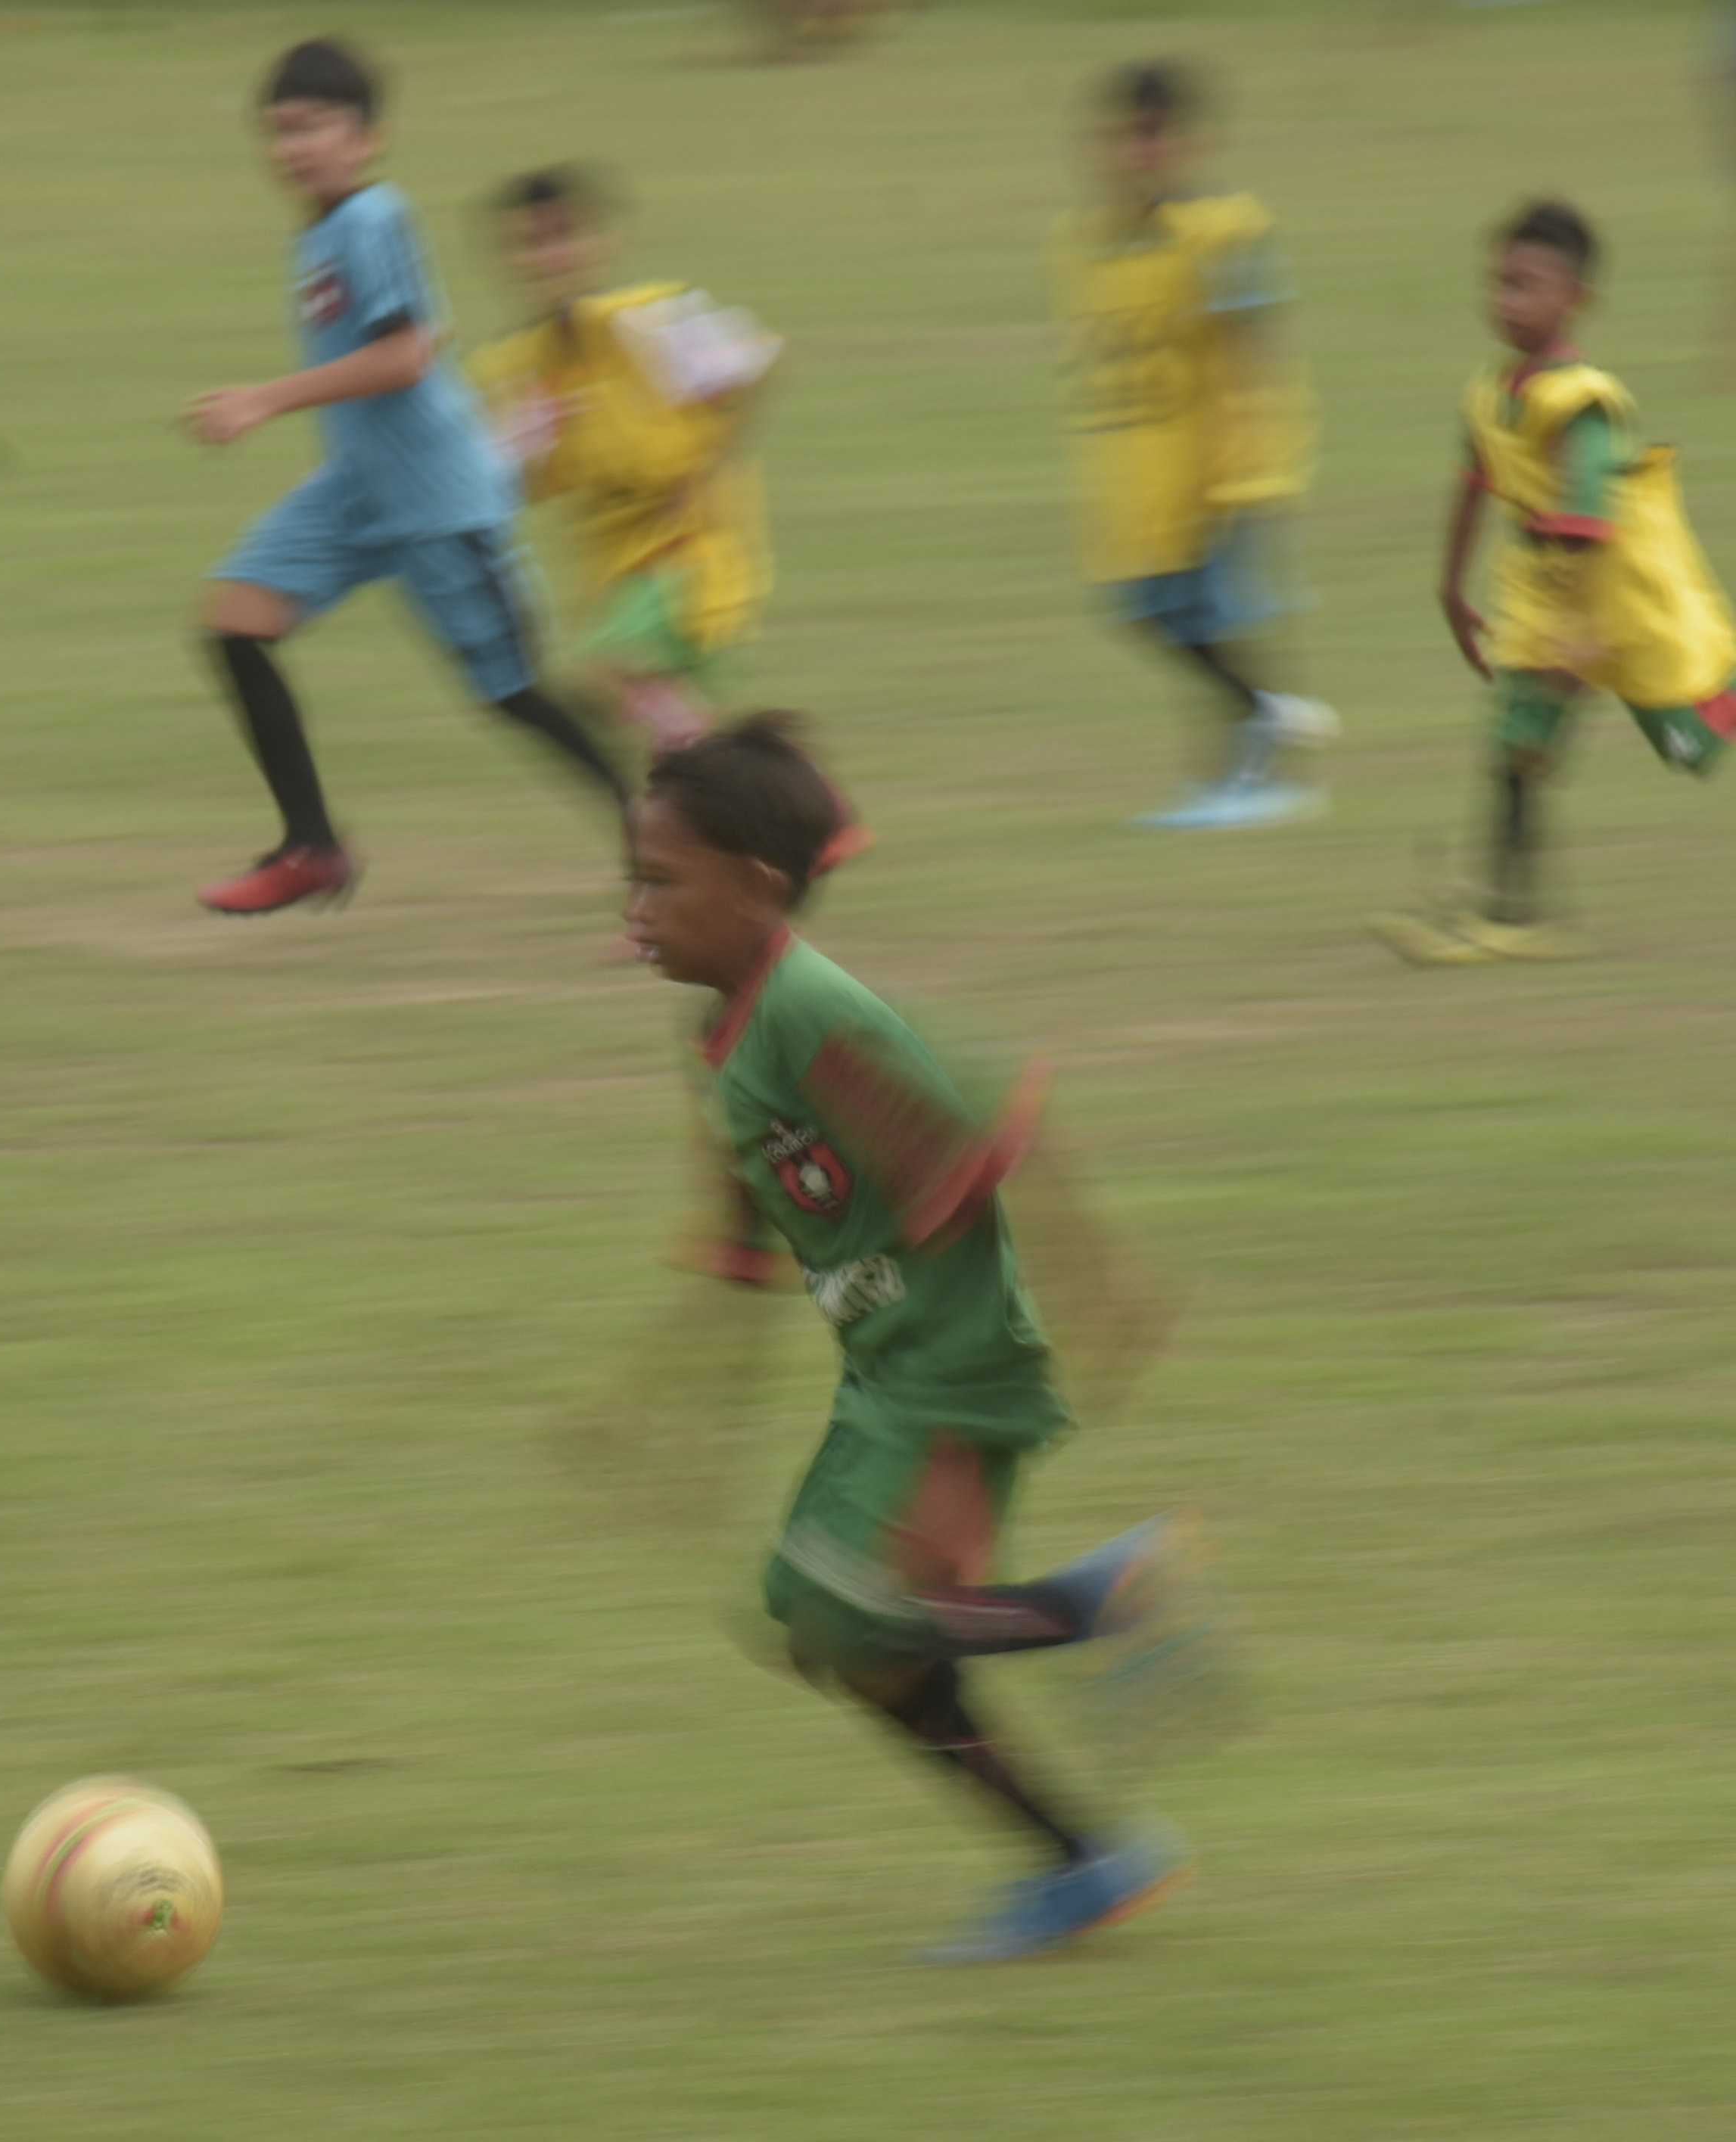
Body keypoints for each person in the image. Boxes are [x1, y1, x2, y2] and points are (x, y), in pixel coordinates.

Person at [627, 713, 1200, 1961]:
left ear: (756, 890)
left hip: (949, 1359)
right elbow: (741, 1250)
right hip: (882, 1366)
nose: (632, 907)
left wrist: (1094, 1280)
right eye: (629, 877)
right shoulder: (716, 1039)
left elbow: (989, 1132)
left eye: (659, 881)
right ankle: (1085, 1861)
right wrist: (670, 1408)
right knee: (818, 1628)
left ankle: (1103, 1599)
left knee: (854, 1616)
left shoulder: (812, 1015)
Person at [182, 37, 630, 916]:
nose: (292, 148)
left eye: (312, 127)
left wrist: (265, 400)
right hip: (358, 488)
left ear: (368, 135)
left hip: (439, 501)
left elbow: (406, 354)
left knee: (513, 695)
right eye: (277, 132)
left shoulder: (373, 217)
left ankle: (658, 835)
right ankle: (312, 846)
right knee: (234, 624)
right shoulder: (317, 229)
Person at [1379, 203, 1736, 966]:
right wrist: (1447, 589)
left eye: (1524, 285)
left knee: (1697, 726)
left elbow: (1585, 521)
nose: (1504, 299)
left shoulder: (1583, 404)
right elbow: (1471, 480)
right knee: (1516, 743)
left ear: (1574, 298)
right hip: (1545, 603)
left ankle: (1510, 915)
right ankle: (1510, 915)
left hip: (1622, 603)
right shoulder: (1491, 389)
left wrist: (1581, 633)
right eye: (1497, 282)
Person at [1050, 61, 1335, 829]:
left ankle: (1248, 771)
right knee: (1146, 612)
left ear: (1189, 140)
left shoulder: (1222, 233)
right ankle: (1265, 715)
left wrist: (1250, 468)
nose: (1140, 151)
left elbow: (1253, 353)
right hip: (1144, 473)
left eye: (1155, 134)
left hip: (1220, 473)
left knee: (1207, 620)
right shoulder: (1097, 241)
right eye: (1128, 135)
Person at [475, 164, 779, 761]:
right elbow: (506, 480)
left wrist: (706, 470)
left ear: (600, 242)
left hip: (693, 551)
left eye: (563, 236)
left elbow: (756, 364)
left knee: (613, 674)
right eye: (530, 243)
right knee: (671, 738)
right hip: (615, 571)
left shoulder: (649, 320)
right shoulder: (518, 367)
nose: (548, 257)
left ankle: (764, 794)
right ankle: (781, 803)